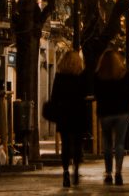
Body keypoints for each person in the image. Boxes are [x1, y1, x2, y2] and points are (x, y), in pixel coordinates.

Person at [93, 49, 129, 186]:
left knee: (107, 144)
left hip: (105, 112)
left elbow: (96, 93)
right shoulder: (123, 74)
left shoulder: (99, 75)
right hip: (121, 112)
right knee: (119, 143)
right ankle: (118, 172)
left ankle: (108, 173)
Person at [48, 48, 90, 188]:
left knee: (66, 144)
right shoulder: (81, 77)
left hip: (64, 114)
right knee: (78, 143)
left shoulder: (59, 77)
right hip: (78, 113)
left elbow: (54, 97)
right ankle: (76, 169)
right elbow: (86, 93)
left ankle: (65, 171)